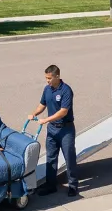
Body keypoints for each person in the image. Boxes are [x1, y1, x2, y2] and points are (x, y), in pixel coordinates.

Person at [28, 65, 78, 197]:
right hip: (52, 130)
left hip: (65, 130)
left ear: (57, 76)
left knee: (69, 158)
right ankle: (51, 185)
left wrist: (46, 120)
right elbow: (42, 105)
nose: (47, 81)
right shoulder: (47, 89)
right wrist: (34, 114)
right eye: (46, 78)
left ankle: (73, 185)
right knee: (50, 158)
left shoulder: (66, 90)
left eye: (49, 78)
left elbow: (63, 111)